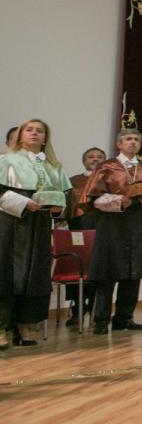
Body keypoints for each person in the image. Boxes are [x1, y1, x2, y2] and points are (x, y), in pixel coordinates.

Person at [79, 128, 142, 334]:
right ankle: (100, 320)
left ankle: (124, 318)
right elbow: (93, 200)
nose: (132, 142)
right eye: (128, 139)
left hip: (138, 223)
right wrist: (120, 200)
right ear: (119, 144)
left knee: (134, 273)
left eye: (136, 139)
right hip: (111, 224)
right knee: (107, 273)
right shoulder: (106, 167)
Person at [0, 119, 71, 347]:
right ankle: (2, 327)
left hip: (40, 226)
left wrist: (58, 209)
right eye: (29, 130)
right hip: (11, 225)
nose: (34, 134)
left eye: (39, 131)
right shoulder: (6, 161)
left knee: (34, 277)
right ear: (21, 135)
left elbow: (66, 196)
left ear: (45, 137)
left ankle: (26, 325)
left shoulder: (54, 166)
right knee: (7, 275)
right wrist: (23, 202)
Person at [62, 146, 107, 326]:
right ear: (84, 161)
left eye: (99, 157)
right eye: (91, 156)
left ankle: (98, 310)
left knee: (100, 269)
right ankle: (77, 309)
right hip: (78, 228)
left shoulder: (111, 180)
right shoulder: (72, 181)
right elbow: (66, 205)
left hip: (103, 229)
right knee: (77, 267)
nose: (95, 159)